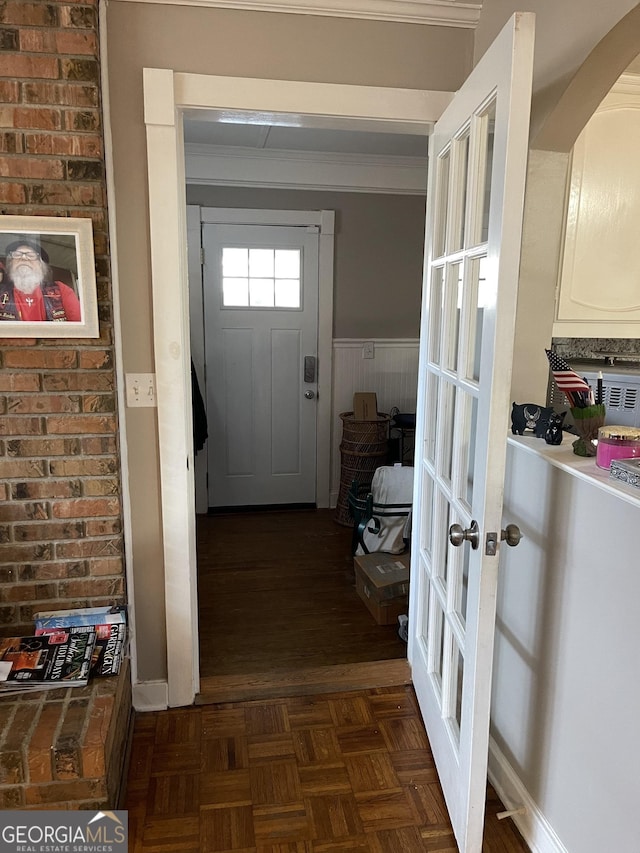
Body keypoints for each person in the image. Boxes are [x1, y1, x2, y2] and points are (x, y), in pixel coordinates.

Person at [0, 237, 81, 322]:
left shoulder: (61, 290)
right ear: (10, 264)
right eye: (17, 255)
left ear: (41, 266)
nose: (23, 258)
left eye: (31, 255)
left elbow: (80, 329)